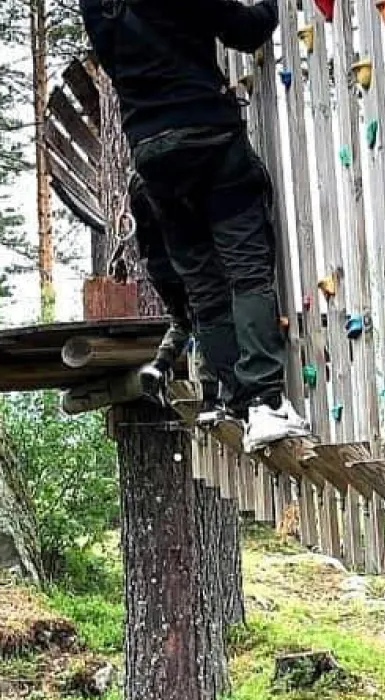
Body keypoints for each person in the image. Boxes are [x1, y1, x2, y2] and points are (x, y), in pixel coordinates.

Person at [80, 0, 309, 451]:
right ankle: (265, 400)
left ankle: (238, 404)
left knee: (205, 286)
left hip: (153, 157)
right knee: (247, 271)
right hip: (211, 139)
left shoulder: (96, 7)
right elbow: (244, 29)